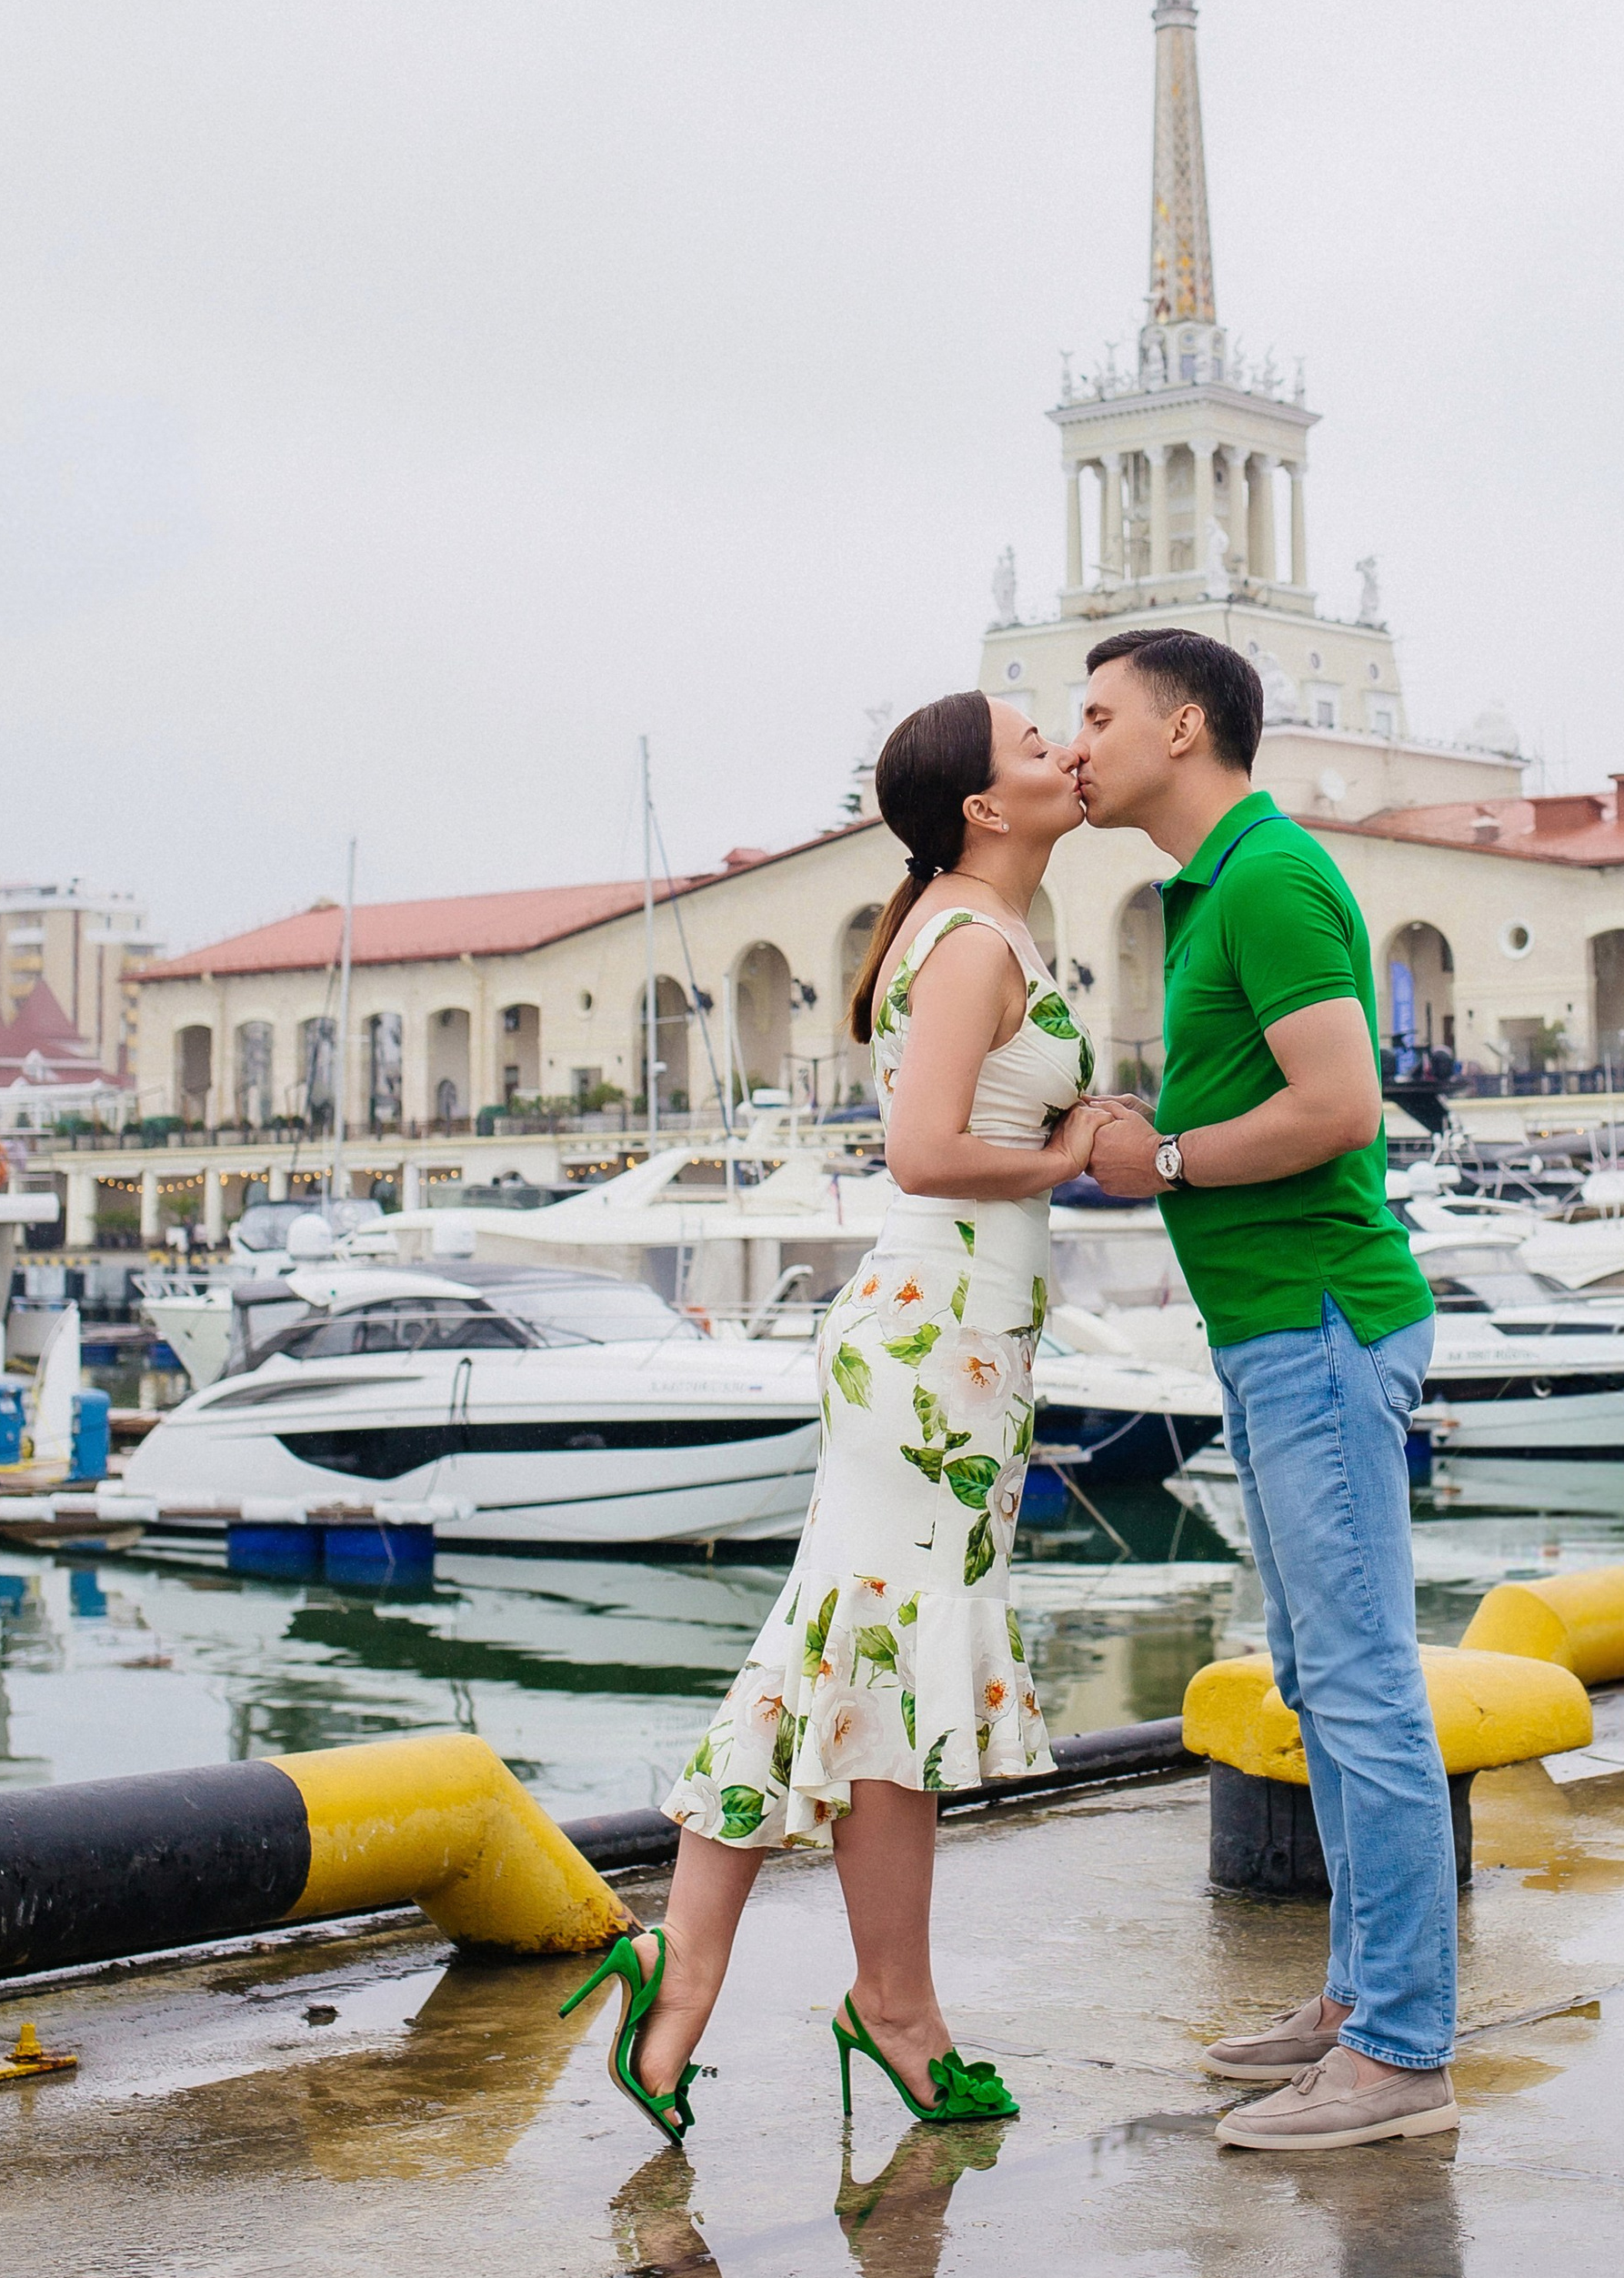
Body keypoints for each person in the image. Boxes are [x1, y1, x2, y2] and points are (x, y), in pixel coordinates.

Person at [560, 688, 1109, 2141]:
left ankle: (692, 1962)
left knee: (840, 1648)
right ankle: (893, 2006)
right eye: (1038, 745)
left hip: (954, 1340)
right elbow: (924, 1150)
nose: (1068, 753)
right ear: (986, 807)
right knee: (891, 1665)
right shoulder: (975, 939)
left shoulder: (965, 920)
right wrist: (1074, 1153)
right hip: (939, 1343)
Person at [1072, 627, 1458, 2153]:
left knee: (1363, 1691)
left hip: (1319, 1323)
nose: (1075, 744)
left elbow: (1339, 1106)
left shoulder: (1274, 878)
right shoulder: (1208, 893)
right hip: (1268, 1333)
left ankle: (1405, 2057)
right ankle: (1363, 2003)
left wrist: (1154, 1158)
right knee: (1317, 1681)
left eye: (1096, 717)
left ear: (1183, 727)